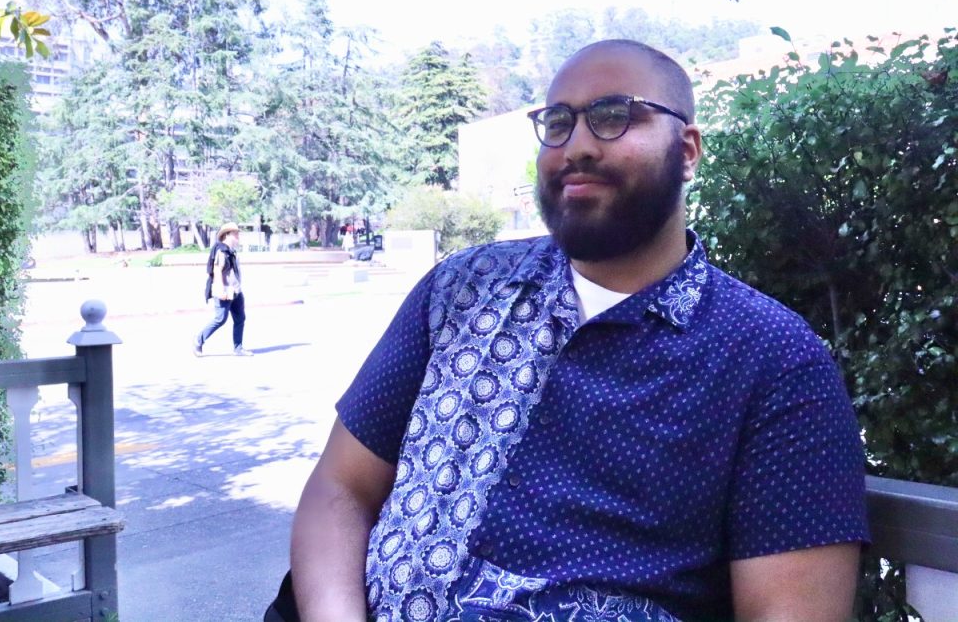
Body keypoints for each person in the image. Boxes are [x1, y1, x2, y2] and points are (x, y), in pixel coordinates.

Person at [289, 40, 869, 622]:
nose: (578, 145)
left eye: (615, 116)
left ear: (687, 151)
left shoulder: (773, 359)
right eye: (559, 123)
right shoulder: (460, 290)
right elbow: (341, 487)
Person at [194, 222, 252, 357]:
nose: (238, 236)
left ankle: (238, 348)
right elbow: (217, 270)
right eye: (235, 233)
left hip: (236, 290)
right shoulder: (221, 250)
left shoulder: (232, 251)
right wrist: (221, 290)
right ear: (227, 235)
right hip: (225, 291)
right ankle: (198, 340)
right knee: (220, 319)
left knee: (240, 319)